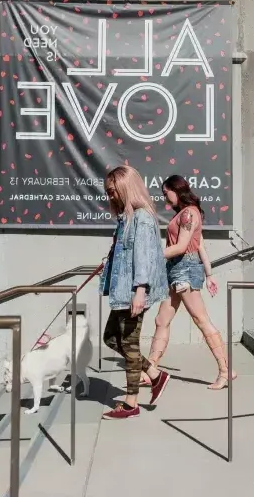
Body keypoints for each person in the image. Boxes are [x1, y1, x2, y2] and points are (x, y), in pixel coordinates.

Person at [142, 175, 237, 390]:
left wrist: (150, 255)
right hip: (176, 269)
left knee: (201, 319)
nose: (165, 199)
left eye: (166, 193)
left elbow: (182, 247)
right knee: (161, 320)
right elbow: (200, 245)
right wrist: (209, 273)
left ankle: (226, 370)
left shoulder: (188, 213)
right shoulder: (185, 214)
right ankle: (151, 370)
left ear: (177, 189)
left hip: (183, 269)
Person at [99, 165, 171, 420]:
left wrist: (140, 291)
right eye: (108, 192)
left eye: (113, 191)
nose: (110, 197)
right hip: (123, 291)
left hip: (133, 292)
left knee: (129, 346)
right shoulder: (127, 219)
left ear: (125, 188)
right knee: (110, 338)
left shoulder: (141, 218)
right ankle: (154, 374)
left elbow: (144, 258)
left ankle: (131, 403)